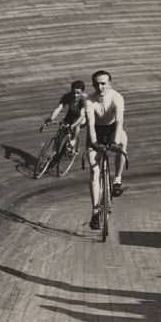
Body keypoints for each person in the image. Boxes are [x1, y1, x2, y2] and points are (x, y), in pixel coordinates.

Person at [84, 70, 128, 230]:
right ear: (93, 85)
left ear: (109, 84)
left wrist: (115, 142)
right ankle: (95, 212)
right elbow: (90, 123)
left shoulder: (117, 97)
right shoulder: (89, 100)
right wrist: (94, 143)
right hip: (96, 132)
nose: (100, 87)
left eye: (103, 84)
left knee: (123, 145)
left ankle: (117, 180)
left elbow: (119, 121)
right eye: (96, 84)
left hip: (112, 130)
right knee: (94, 171)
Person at [40, 79, 87, 152]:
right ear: (71, 90)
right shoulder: (67, 96)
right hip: (71, 113)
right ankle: (55, 152)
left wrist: (73, 125)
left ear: (82, 92)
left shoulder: (83, 99)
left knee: (76, 124)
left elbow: (82, 116)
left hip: (83, 117)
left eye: (78, 93)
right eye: (73, 92)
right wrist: (51, 118)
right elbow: (59, 108)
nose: (75, 95)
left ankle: (73, 140)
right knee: (61, 132)